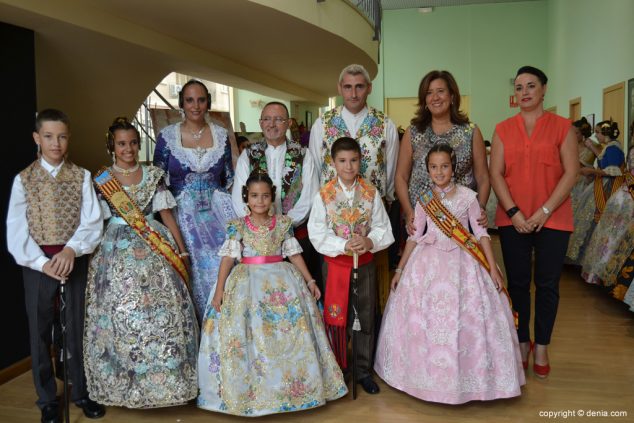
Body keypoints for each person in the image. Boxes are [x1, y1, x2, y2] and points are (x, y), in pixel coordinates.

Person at [374, 144, 524, 404]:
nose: (439, 172)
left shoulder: (468, 197)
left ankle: (468, 381)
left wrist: (492, 268)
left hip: (463, 263)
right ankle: (423, 379)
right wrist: (400, 268)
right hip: (426, 265)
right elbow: (414, 236)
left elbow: (480, 234)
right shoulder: (424, 200)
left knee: (465, 321)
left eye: (444, 166)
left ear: (453, 166)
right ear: (428, 170)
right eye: (434, 167)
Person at [198, 172, 347, 416]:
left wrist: (309, 280)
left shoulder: (283, 223)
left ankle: (291, 389)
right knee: (251, 331)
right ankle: (254, 393)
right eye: (255, 196)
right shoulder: (237, 226)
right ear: (246, 197)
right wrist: (219, 290)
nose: (260, 201)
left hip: (282, 279)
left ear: (272, 198)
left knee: (288, 332)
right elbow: (227, 259)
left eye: (265, 196)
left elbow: (293, 253)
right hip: (247, 282)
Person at [83, 117, 198, 408]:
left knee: (162, 313)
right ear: (112, 146)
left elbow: (167, 217)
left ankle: (169, 383)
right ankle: (128, 384)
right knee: (124, 314)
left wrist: (182, 251)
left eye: (133, 142)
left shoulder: (153, 175)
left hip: (155, 247)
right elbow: (95, 223)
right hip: (116, 252)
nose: (128, 148)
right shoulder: (102, 180)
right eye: (122, 143)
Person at [6, 109, 105, 423]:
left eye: (61, 136)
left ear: (68, 137)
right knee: (40, 330)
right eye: (48, 136)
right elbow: (16, 228)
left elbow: (92, 222)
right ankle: (47, 398)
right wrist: (40, 262)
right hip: (37, 263)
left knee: (76, 327)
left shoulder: (82, 176)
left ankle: (81, 392)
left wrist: (71, 250)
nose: (56, 143)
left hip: (72, 258)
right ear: (37, 138)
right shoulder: (24, 180)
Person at [490, 66, 578, 379]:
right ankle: (522, 342)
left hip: (553, 219)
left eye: (530, 86)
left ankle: (542, 345)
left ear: (543, 90)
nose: (524, 92)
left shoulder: (563, 127)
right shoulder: (502, 129)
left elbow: (571, 173)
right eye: (519, 87)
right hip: (512, 219)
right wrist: (514, 212)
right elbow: (495, 173)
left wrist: (543, 211)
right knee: (516, 284)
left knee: (547, 284)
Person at [308, 137, 394, 395]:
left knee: (364, 316)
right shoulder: (324, 195)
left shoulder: (370, 192)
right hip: (335, 265)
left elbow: (383, 228)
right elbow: (316, 232)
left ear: (360, 161)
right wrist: (342, 245)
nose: (348, 166)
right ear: (333, 163)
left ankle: (363, 370)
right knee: (337, 318)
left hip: (365, 263)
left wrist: (369, 240)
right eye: (342, 161)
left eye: (354, 160)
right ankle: (338, 370)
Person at [153, 79, 235, 320]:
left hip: (218, 211)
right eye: (190, 100)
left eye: (201, 100)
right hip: (182, 216)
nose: (196, 105)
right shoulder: (167, 136)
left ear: (208, 102)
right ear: (182, 103)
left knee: (228, 263)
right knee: (192, 273)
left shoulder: (221, 135)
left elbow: (228, 177)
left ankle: (226, 331)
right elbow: (158, 181)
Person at [231, 102, 321, 291]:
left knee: (296, 291)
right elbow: (240, 196)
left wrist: (283, 225)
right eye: (267, 119)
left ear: (288, 123)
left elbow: (310, 195)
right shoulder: (248, 155)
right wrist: (258, 226)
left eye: (278, 119)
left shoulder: (303, 154)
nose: (272, 124)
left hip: (295, 235)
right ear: (261, 123)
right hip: (257, 240)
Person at [395, 70, 490, 234]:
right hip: (422, 220)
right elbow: (401, 177)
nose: (435, 97)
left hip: (462, 220)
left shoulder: (471, 132)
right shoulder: (413, 132)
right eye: (429, 93)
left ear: (452, 96)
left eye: (440, 91)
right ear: (424, 100)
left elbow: (483, 177)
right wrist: (409, 212)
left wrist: (479, 208)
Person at [309, 64, 399, 202]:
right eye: (347, 87)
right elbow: (315, 167)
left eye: (359, 86)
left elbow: (391, 168)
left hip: (373, 207)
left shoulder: (386, 124)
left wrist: (388, 201)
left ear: (369, 88)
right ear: (339, 88)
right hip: (331, 206)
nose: (353, 94)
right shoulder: (322, 123)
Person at [566, 120, 625, 264]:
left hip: (608, 187)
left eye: (598, 132)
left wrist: (591, 170)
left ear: (606, 133)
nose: (596, 135)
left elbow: (613, 171)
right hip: (601, 183)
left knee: (593, 219)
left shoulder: (613, 148)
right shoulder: (609, 147)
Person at [580, 142, 634, 290]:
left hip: (625, 194)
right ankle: (605, 276)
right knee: (614, 234)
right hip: (628, 195)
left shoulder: (623, 149)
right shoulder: (628, 150)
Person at [570, 117, 601, 213]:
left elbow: (604, 159)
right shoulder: (569, 145)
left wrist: (592, 147)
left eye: (576, 133)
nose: (572, 135)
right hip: (570, 180)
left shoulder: (593, 145)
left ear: (583, 133)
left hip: (586, 182)